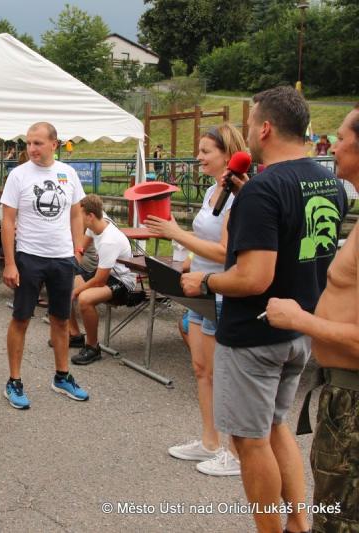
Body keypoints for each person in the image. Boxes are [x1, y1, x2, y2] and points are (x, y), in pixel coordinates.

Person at [181, 86, 347, 533]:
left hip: (254, 333)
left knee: (249, 441)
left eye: (252, 123)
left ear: (267, 128)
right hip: (299, 329)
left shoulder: (264, 189)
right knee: (276, 427)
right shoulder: (330, 182)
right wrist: (249, 195)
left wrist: (204, 281)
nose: (249, 132)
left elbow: (253, 277)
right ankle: (298, 525)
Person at [265, 104, 359, 533]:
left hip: (353, 400)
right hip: (341, 392)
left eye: (341, 138)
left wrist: (300, 319)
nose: (332, 148)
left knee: (339, 521)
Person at [144, 123, 247, 476]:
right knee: (202, 370)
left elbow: (226, 252)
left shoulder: (238, 197)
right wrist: (182, 250)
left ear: (227, 154)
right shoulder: (212, 191)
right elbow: (205, 241)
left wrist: (177, 234)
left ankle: (235, 453)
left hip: (221, 292)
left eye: (205, 151)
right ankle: (209, 441)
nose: (198, 157)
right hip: (200, 291)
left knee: (224, 376)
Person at [0, 121, 89, 409]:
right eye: (28, 143)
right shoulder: (18, 175)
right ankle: (14, 381)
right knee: (21, 318)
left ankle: (62, 376)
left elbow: (76, 214)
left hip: (62, 258)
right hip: (29, 256)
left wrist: (77, 249)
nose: (31, 148)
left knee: (61, 318)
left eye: (37, 143)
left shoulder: (68, 173)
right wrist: (10, 262)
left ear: (54, 144)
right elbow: (8, 221)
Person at [71, 194, 137, 364]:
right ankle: (74, 335)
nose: (77, 219)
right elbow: (81, 249)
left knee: (84, 299)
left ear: (90, 216)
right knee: (62, 284)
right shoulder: (95, 225)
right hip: (106, 275)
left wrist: (76, 292)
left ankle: (93, 347)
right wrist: (70, 268)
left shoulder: (109, 240)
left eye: (79, 216)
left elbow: (100, 281)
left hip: (123, 282)